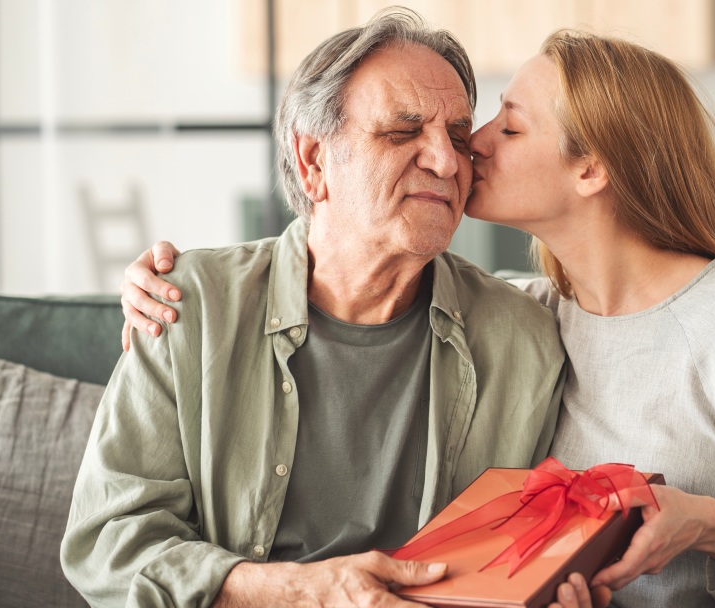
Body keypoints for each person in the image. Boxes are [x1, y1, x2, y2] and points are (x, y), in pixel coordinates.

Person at [121, 30, 715, 608]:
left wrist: (705, 524)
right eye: (412, 132)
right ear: (314, 161)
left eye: (497, 130)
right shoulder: (534, 313)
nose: (461, 155)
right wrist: (166, 287)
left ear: (591, 169)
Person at [61, 10, 573, 607]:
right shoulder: (185, 306)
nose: (447, 160)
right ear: (313, 162)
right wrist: (304, 592)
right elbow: (108, 543)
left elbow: (526, 552)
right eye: (402, 132)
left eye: (459, 137)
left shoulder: (526, 338)